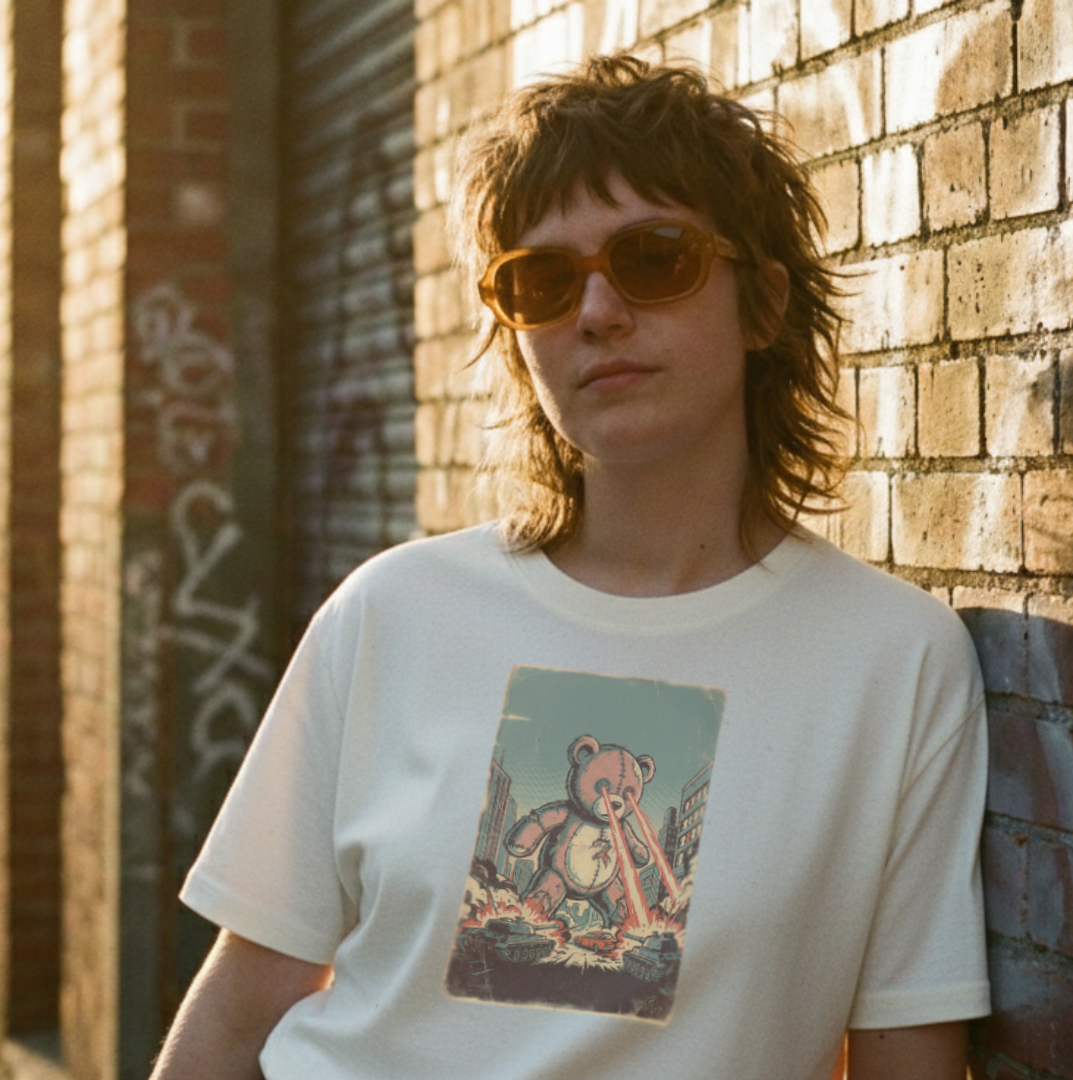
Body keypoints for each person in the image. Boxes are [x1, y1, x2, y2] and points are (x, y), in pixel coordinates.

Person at [150, 54, 989, 1080]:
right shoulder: (393, 612)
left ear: (764, 305)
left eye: (655, 258)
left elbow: (909, 1057)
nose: (595, 311)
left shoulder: (893, 661)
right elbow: (244, 1001)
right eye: (540, 282)